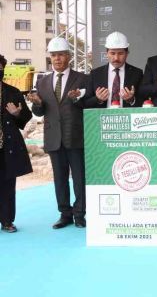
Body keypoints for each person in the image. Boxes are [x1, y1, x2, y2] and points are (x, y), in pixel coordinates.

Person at [27, 38, 88, 229]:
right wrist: (37, 104)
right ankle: (65, 214)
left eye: (61, 55)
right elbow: (39, 112)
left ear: (68, 56)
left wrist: (78, 99)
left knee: (79, 178)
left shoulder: (83, 79)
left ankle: (80, 214)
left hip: (76, 136)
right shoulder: (42, 82)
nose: (57, 59)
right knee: (59, 179)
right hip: (54, 137)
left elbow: (89, 105)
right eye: (53, 55)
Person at [0, 53, 33, 233]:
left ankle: (7, 221)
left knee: (7, 184)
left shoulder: (13, 92)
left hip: (7, 147)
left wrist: (17, 114)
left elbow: (26, 116)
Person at [84, 31, 142, 108]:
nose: (116, 58)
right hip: (102, 115)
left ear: (127, 53)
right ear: (107, 53)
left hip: (128, 115)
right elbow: (85, 103)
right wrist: (98, 99)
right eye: (112, 53)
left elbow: (145, 100)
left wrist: (131, 100)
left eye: (120, 53)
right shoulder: (95, 74)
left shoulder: (137, 73)